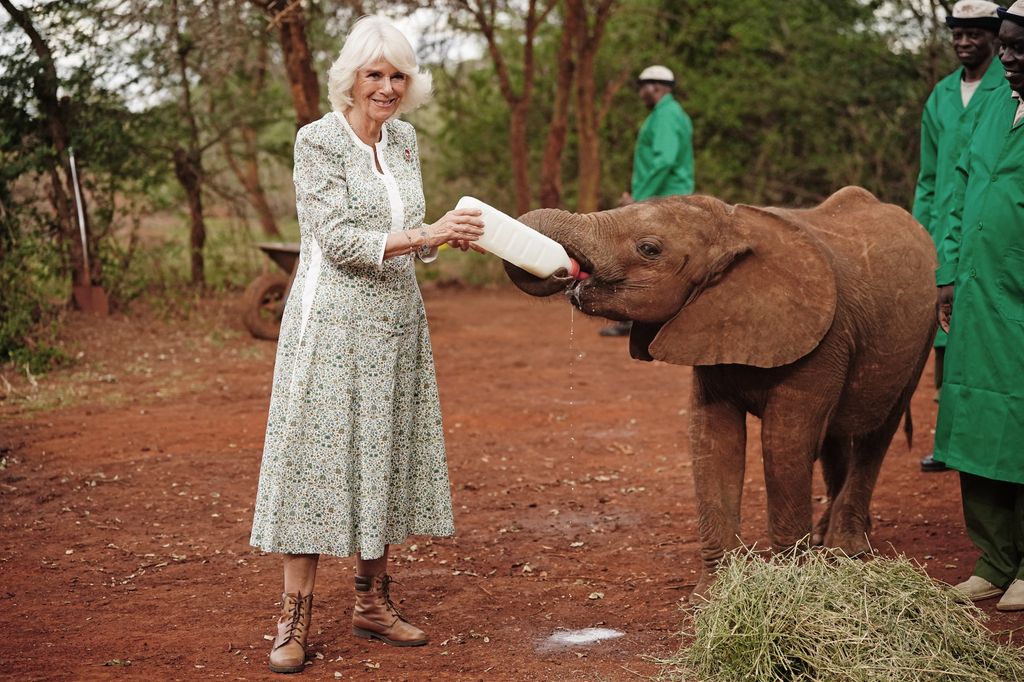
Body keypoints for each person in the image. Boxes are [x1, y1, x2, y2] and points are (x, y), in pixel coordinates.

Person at [249, 16, 485, 674]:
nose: (386, 87)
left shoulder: (404, 140)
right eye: (374, 74)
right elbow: (337, 238)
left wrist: (444, 234)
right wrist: (426, 233)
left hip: (396, 321)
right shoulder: (317, 140)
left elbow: (410, 227)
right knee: (316, 460)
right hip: (331, 324)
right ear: (350, 78)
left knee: (383, 452)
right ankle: (293, 616)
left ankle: (371, 601)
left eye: (397, 76)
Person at [935, 0, 1024, 612]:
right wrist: (946, 271)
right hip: (978, 291)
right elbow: (958, 182)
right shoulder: (995, 103)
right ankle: (994, 559)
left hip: (1017, 295)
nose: (1009, 59)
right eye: (1009, 46)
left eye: (1019, 48)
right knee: (974, 418)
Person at [913, 0, 1004, 473]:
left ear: (995, 36)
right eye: (958, 33)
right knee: (946, 345)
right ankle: (948, 445)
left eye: (975, 33)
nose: (964, 41)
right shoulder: (942, 96)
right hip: (943, 236)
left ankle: (987, 444)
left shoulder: (1007, 90)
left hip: (988, 234)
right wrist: (919, 238)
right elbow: (928, 178)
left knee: (986, 340)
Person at [600, 64, 694, 337]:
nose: (640, 92)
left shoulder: (666, 115)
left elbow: (664, 160)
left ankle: (635, 319)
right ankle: (647, 319)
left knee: (638, 256)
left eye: (643, 86)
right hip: (663, 195)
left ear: (656, 86)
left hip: (663, 197)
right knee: (656, 259)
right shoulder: (668, 114)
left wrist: (640, 200)